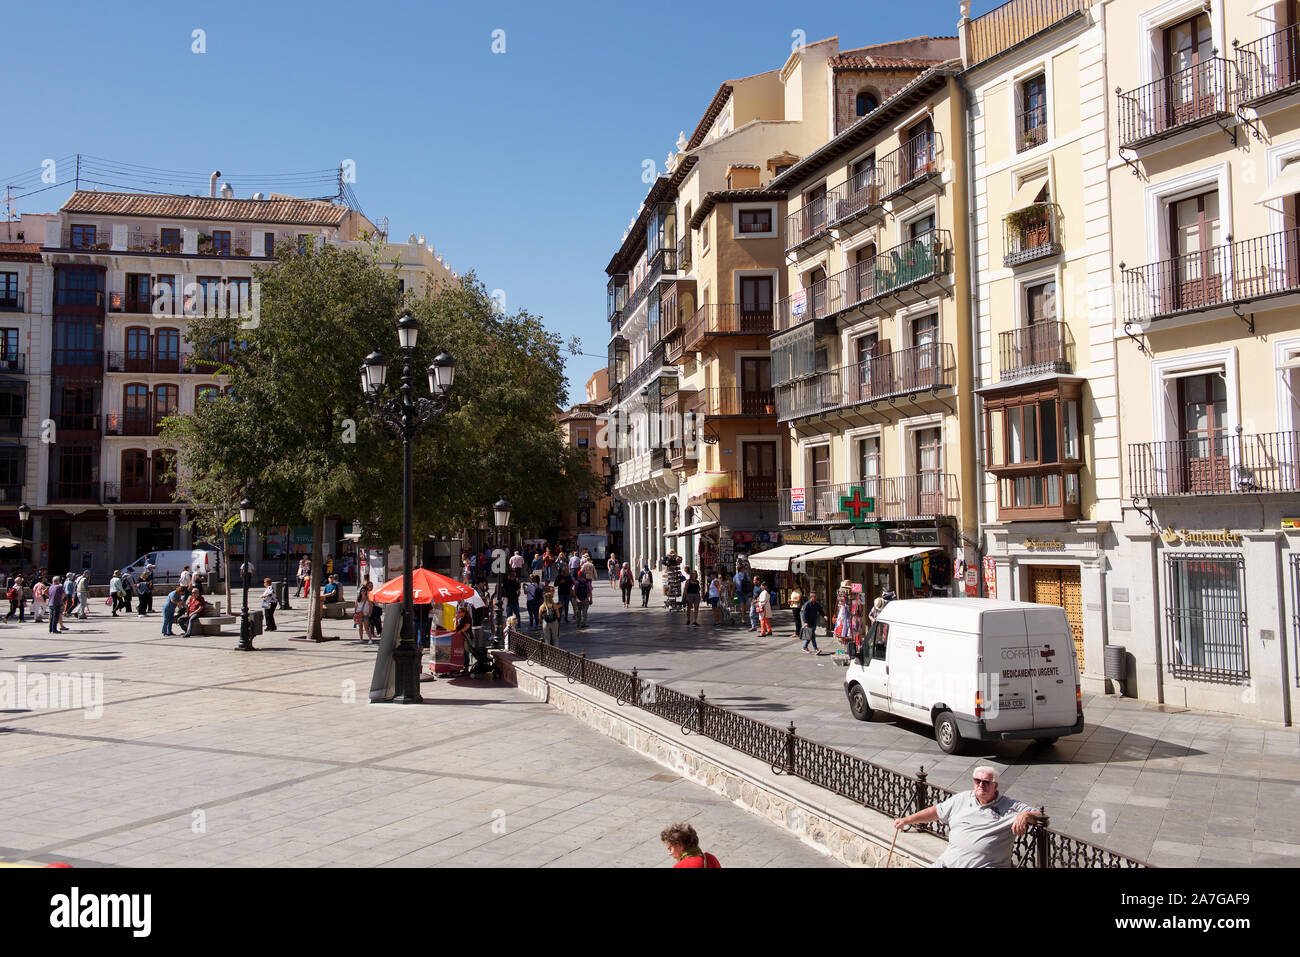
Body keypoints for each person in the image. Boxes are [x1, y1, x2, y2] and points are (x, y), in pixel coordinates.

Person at [894, 766, 1046, 868]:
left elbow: (1042, 817)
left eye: (986, 782)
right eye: (977, 781)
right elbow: (936, 811)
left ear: (995, 785)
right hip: (947, 863)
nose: (981, 785)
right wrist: (907, 820)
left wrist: (1025, 815)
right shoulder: (963, 798)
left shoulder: (1010, 806)